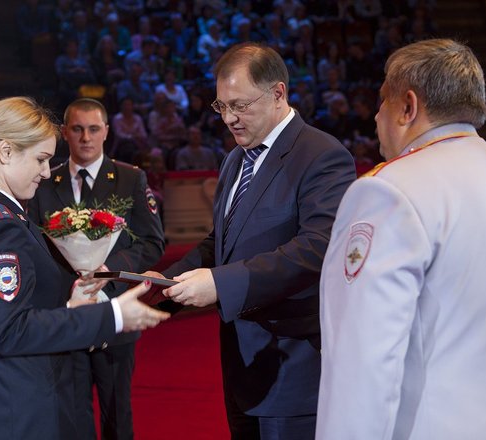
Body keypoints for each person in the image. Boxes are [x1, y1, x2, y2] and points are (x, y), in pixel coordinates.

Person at [317, 38, 486, 439]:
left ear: (408, 107)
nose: (376, 116)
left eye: (382, 101)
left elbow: (363, 362)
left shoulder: (388, 191)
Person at [150, 42, 356, 439]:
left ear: (278, 94)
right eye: (221, 106)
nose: (229, 118)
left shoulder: (322, 155)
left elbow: (317, 249)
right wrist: (166, 281)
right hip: (242, 371)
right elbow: (221, 242)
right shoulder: (236, 158)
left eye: (239, 105)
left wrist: (221, 284)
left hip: (295, 371)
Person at [0, 96, 169, 440]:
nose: (46, 172)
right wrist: (114, 315)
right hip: (18, 412)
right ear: (6, 152)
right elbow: (10, 330)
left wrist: (71, 304)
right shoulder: (2, 227)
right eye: (41, 159)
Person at [28, 97, 165, 440]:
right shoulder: (43, 181)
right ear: (64, 133)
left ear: (106, 131)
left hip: (115, 311)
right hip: (65, 313)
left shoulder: (130, 178)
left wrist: (108, 269)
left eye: (93, 129)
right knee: (72, 413)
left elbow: (152, 242)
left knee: (117, 412)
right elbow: (33, 247)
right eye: (77, 129)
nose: (86, 137)